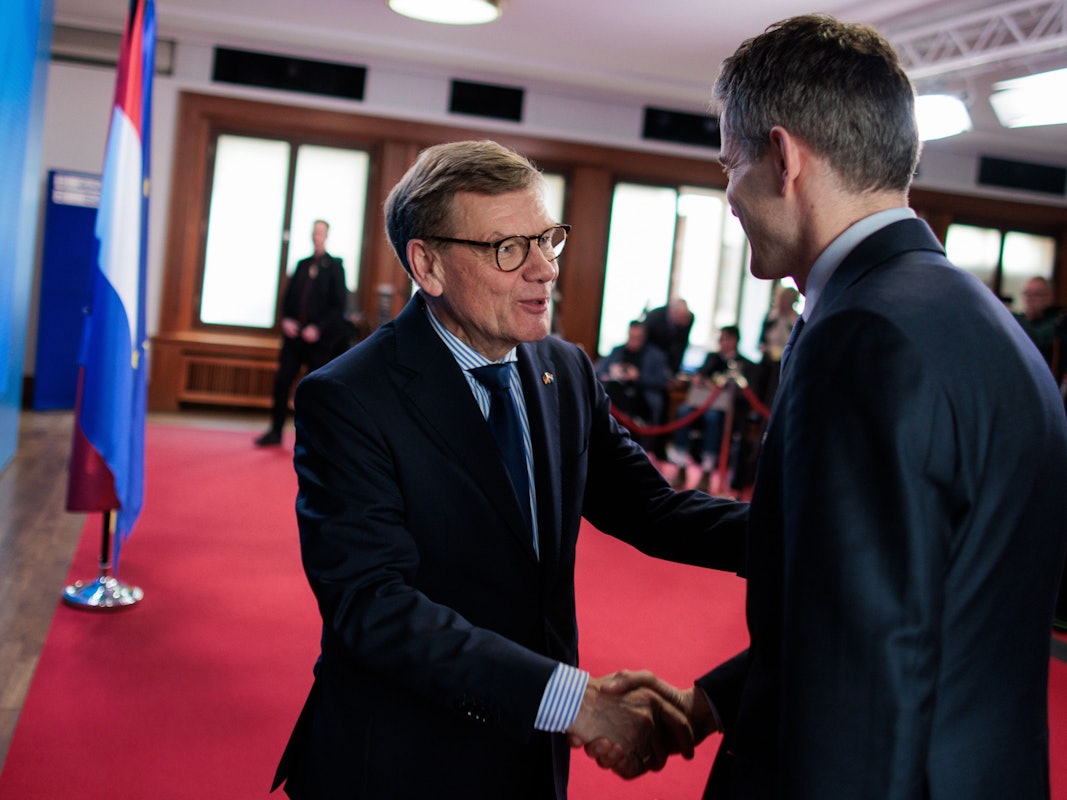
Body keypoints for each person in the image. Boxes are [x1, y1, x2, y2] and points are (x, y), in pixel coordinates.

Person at [586, 14, 1067, 797]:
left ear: (781, 156)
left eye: (727, 164)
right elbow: (901, 602)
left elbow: (863, 674)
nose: (728, 195)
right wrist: (712, 703)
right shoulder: (977, 321)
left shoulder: (862, 337)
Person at [270, 139, 749, 799]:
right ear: (427, 265)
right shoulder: (349, 397)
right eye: (508, 248)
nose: (544, 270)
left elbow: (650, 508)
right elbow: (373, 605)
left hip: (528, 757)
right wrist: (568, 699)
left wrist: (801, 538)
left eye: (547, 239)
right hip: (402, 758)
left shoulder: (566, 371)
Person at [255, 219, 349, 446]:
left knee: (313, 390)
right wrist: (286, 320)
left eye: (321, 233)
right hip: (294, 337)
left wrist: (317, 328)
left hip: (318, 340)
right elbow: (288, 299)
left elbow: (339, 307)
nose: (317, 236)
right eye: (314, 232)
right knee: (282, 380)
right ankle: (276, 431)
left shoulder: (335, 266)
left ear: (326, 236)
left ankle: (311, 438)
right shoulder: (302, 265)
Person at [666, 325, 755, 493]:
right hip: (702, 404)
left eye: (724, 339)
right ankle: (681, 465)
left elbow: (744, 393)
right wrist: (701, 380)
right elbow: (701, 374)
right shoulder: (712, 358)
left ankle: (707, 470)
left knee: (712, 417)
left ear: (734, 340)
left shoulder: (744, 364)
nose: (721, 343)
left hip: (726, 412)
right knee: (683, 412)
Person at [595, 319, 672, 427]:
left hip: (642, 399)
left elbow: (663, 381)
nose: (634, 341)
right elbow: (598, 372)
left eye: (638, 338)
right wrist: (611, 372)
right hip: (615, 397)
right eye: (631, 337)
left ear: (644, 337)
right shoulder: (617, 351)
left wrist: (638, 377)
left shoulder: (655, 356)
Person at [643, 298, 694, 375]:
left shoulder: (689, 318)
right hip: (653, 353)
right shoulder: (654, 318)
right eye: (683, 317)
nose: (686, 321)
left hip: (672, 357)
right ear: (673, 313)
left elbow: (682, 344)